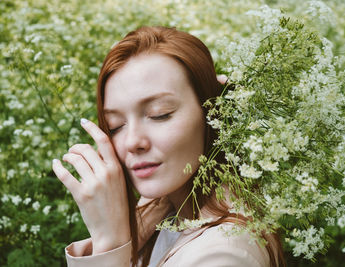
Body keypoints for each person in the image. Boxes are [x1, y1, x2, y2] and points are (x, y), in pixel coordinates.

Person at [52, 26, 285, 267]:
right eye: (115, 126)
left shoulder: (223, 256)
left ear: (211, 113)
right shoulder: (171, 206)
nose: (133, 142)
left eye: (160, 115)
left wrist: (109, 245)